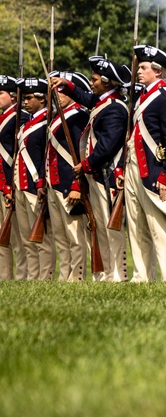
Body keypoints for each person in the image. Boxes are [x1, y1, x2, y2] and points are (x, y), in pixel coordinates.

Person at [53, 58, 131, 282]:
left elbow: (107, 146)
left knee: (112, 227)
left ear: (107, 83)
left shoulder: (115, 109)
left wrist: (85, 165)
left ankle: (119, 273)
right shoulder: (102, 102)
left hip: (106, 174)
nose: (91, 82)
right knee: (102, 228)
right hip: (97, 175)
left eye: (95, 79)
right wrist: (65, 85)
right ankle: (108, 272)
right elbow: (84, 97)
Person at [119, 45, 166, 282]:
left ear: (158, 72)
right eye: (140, 66)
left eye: (145, 67)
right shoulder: (143, 98)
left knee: (161, 228)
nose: (139, 71)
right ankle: (142, 277)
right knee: (136, 227)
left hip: (155, 171)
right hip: (134, 167)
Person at [44, 71, 91, 281]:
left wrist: (77, 185)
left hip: (68, 184)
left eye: (61, 89)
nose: (57, 94)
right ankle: (65, 276)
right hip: (54, 183)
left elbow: (80, 153)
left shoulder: (79, 115)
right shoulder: (56, 116)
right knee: (61, 238)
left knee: (75, 237)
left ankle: (77, 277)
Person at [13, 77, 55, 280]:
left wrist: (41, 183)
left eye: (29, 98)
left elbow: (45, 157)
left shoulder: (48, 122)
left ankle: (45, 277)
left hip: (34, 186)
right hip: (21, 186)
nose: (25, 102)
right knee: (26, 237)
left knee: (42, 238)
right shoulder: (26, 123)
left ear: (42, 99)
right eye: (25, 98)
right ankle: (31, 276)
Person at [0, 75, 28, 280]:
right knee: (3, 237)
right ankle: (4, 276)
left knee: (18, 237)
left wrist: (10, 184)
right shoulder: (3, 118)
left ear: (12, 96)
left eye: (0, 93)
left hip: (11, 182)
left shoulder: (21, 117)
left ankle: (23, 275)